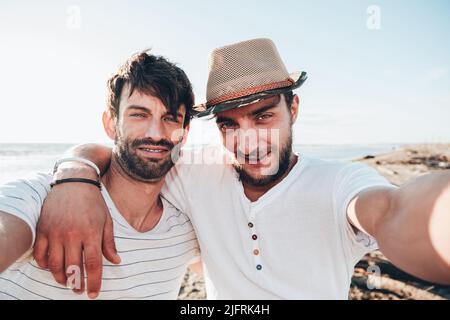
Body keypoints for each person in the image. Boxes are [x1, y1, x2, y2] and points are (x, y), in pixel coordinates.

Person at [7, 38, 450, 299]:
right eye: (229, 124)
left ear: (293, 108)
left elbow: (396, 211)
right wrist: (75, 173)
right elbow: (131, 156)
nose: (249, 140)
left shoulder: (339, 183)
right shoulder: (198, 176)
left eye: (264, 116)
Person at [0, 50, 201, 299]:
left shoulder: (185, 227)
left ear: (185, 131)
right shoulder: (45, 199)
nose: (156, 133)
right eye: (139, 114)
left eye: (170, 118)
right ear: (110, 124)